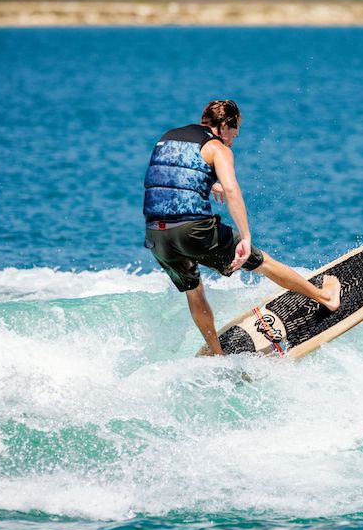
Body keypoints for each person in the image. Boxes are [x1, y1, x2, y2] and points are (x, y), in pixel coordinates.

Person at [143, 99, 341, 354]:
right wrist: (245, 237)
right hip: (193, 230)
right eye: (235, 130)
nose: (235, 137)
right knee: (263, 262)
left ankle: (217, 353)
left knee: (194, 290)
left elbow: (167, 177)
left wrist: (206, 184)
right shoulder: (218, 148)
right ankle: (326, 298)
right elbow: (232, 189)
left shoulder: (168, 138)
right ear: (224, 125)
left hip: (156, 235)